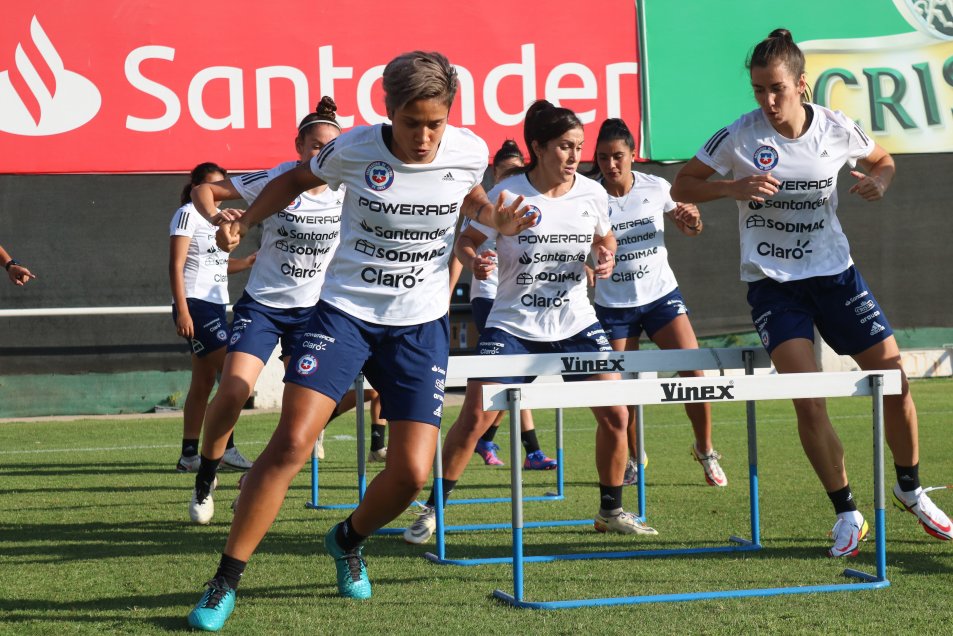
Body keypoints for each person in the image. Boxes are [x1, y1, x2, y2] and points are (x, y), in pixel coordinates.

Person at [186, 51, 537, 631]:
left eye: (435, 123)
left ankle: (347, 539)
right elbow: (293, 179)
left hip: (420, 326)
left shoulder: (470, 149)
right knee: (292, 442)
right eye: (411, 123)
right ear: (388, 109)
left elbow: (468, 194)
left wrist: (491, 217)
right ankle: (224, 580)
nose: (423, 137)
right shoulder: (353, 148)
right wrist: (245, 222)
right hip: (343, 314)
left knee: (411, 474)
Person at [670, 28, 951, 558]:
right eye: (758, 90)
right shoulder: (739, 136)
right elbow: (683, 184)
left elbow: (884, 160)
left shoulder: (836, 127)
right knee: (807, 396)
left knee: (895, 381)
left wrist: (880, 182)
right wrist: (732, 187)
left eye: (776, 88)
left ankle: (910, 490)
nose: (767, 101)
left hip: (836, 277)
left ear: (802, 84)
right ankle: (846, 511)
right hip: (774, 287)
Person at [404, 100, 658, 546]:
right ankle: (433, 510)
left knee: (616, 415)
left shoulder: (591, 193)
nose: (574, 156)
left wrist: (605, 255)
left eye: (578, 146)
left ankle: (610, 511)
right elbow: (467, 240)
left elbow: (605, 237)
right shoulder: (508, 193)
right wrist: (475, 259)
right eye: (564, 146)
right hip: (513, 324)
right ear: (538, 148)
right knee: (477, 416)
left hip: (576, 322)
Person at [186, 97, 350, 525]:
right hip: (263, 306)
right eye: (315, 146)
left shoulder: (348, 187)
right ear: (299, 147)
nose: (323, 155)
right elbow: (204, 190)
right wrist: (219, 219)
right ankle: (205, 478)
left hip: (315, 312)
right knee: (235, 390)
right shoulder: (277, 179)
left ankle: (254, 478)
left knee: (311, 413)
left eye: (330, 147)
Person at [591, 118, 727, 488]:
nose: (610, 164)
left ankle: (705, 449)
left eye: (618, 156)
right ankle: (635, 458)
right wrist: (587, 265)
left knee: (695, 374)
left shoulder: (656, 186)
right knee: (622, 391)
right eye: (602, 157)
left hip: (661, 298)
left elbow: (690, 227)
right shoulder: (588, 195)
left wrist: (692, 220)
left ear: (633, 155)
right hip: (614, 308)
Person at [468, 139, 556, 470]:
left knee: (517, 377)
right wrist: (471, 264)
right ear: (494, 174)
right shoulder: (487, 205)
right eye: (505, 173)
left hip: (521, 300)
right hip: (489, 296)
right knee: (511, 376)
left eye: (517, 172)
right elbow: (464, 246)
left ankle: (489, 438)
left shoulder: (530, 204)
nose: (511, 179)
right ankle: (528, 450)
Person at [169, 162, 256, 473]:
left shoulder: (221, 218)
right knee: (235, 378)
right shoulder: (187, 213)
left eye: (221, 187)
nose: (217, 194)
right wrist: (182, 310)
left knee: (204, 382)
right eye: (211, 187)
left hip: (216, 304)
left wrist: (248, 262)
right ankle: (225, 449)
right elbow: (176, 264)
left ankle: (189, 455)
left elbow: (217, 263)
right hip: (196, 305)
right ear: (196, 187)